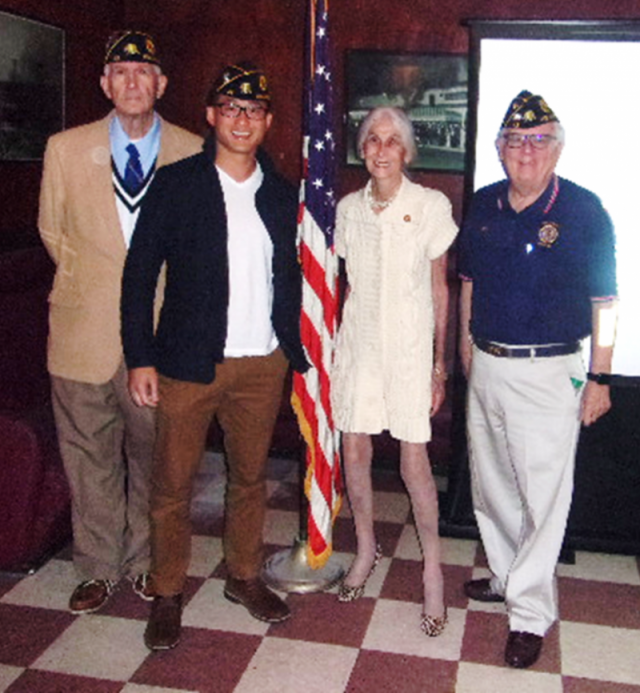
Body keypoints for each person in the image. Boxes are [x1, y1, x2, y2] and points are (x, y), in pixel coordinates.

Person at [121, 62, 309, 651]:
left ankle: (243, 576)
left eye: (253, 110)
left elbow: (296, 276)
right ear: (211, 116)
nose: (242, 119)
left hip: (262, 362)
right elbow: (138, 276)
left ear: (268, 121)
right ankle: (167, 591)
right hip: (187, 362)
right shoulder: (176, 185)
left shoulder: (283, 193)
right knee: (172, 484)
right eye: (230, 108)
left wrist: (296, 349)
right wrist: (140, 358)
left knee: (250, 479)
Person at [38, 31, 202, 614]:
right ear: (105, 83)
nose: (133, 82)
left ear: (161, 83)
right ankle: (97, 566)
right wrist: (95, 285)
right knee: (89, 457)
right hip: (82, 333)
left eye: (144, 72)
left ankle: (145, 560)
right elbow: (53, 232)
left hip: (160, 338)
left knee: (156, 455)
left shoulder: (192, 150)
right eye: (121, 72)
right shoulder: (65, 149)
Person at [458, 90, 618, 668]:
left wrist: (600, 376)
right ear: (499, 148)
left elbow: (606, 302)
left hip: (550, 371)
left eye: (538, 140)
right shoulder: (482, 203)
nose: (526, 150)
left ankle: (528, 614)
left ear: (558, 148)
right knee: (493, 485)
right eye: (516, 140)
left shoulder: (583, 210)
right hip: (488, 363)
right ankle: (507, 576)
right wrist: (466, 352)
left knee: (543, 497)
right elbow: (469, 284)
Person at [331, 107, 458, 636]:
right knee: (354, 452)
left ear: (406, 151)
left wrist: (438, 366)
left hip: (409, 350)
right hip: (359, 346)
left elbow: (440, 290)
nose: (381, 150)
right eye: (372, 141)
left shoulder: (430, 205)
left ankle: (432, 569)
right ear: (362, 150)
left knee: (414, 463)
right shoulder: (347, 210)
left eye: (392, 142)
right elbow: (343, 283)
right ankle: (366, 548)